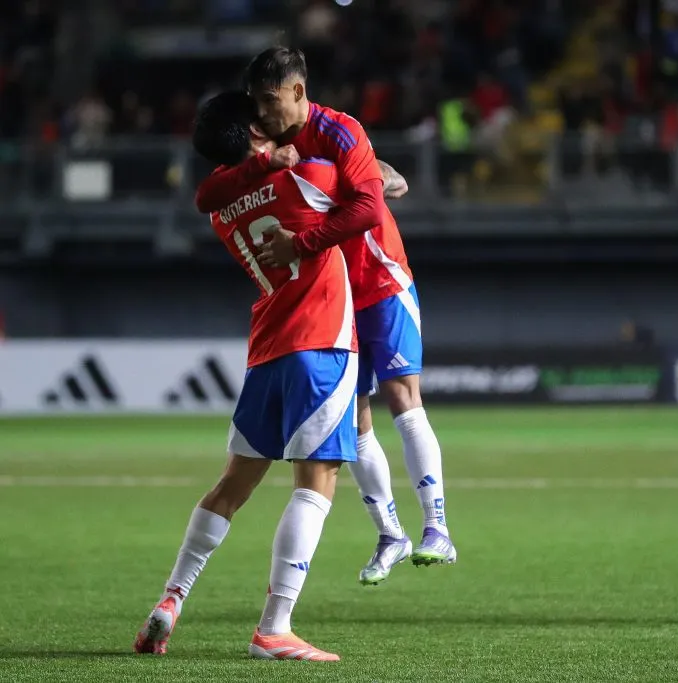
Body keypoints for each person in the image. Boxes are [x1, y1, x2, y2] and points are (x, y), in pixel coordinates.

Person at [195, 47, 456, 587]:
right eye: (255, 106)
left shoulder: (338, 131)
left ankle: (437, 526)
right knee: (355, 420)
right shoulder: (272, 149)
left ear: (297, 90)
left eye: (270, 101)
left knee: (403, 398)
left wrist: (305, 242)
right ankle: (390, 532)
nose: (262, 115)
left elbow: (367, 205)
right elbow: (208, 192)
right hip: (334, 301)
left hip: (380, 277)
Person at [133, 90, 378, 661]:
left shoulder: (224, 207)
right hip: (321, 343)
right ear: (253, 135)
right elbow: (368, 196)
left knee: (232, 485)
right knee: (317, 484)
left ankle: (172, 598)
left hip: (267, 348)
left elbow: (211, 192)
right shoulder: (310, 175)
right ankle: (275, 627)